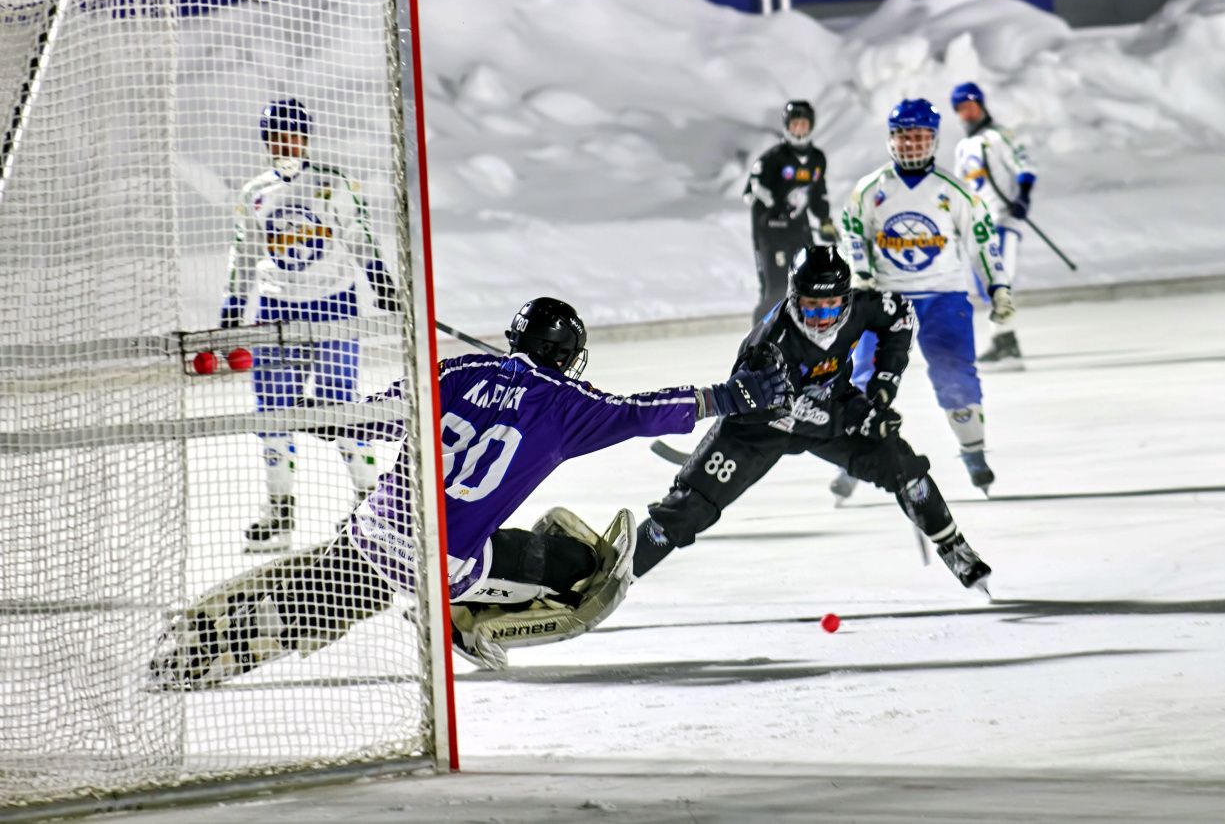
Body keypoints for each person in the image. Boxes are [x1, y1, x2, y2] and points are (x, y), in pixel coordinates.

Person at [150, 297, 790, 684]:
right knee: (578, 566)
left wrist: (315, 411)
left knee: (325, 586)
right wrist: (731, 395)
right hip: (444, 564)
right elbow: (643, 409)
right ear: (565, 354)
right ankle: (466, 622)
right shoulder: (565, 404)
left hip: (373, 527)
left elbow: (371, 416)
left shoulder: (456, 371)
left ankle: (203, 641)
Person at [632, 245, 993, 596]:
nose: (821, 319)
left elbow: (900, 317)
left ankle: (954, 547)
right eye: (811, 307)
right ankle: (613, 578)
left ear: (847, 300)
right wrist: (860, 416)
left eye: (830, 307)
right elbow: (789, 412)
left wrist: (884, 387)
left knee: (905, 467)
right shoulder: (770, 345)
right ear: (794, 300)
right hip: (757, 429)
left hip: (832, 406)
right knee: (686, 510)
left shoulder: (863, 307)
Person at [219, 99, 402, 553]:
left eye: (292, 133)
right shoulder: (255, 193)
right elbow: (244, 256)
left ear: (305, 136)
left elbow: (359, 235)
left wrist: (380, 282)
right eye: (276, 135)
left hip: (333, 306)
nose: (285, 143)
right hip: (278, 315)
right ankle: (279, 510)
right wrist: (232, 309)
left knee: (342, 410)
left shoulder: (330, 183)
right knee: (274, 412)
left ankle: (372, 505)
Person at [832, 98, 1014, 501]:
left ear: (932, 139)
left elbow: (981, 243)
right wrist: (859, 273)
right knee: (864, 382)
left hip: (943, 298)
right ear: (891, 139)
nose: (911, 144)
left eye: (919, 136)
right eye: (903, 136)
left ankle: (973, 451)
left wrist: (997, 286)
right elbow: (852, 235)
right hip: (884, 301)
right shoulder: (870, 190)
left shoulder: (955, 193)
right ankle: (857, 460)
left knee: (953, 372)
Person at [952, 82, 1037, 366]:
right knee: (985, 283)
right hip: (979, 226)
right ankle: (1002, 339)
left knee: (999, 280)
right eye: (961, 108)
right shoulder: (963, 147)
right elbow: (959, 188)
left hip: (1002, 219)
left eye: (970, 105)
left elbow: (1023, 166)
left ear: (981, 105)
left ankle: (1007, 344)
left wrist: (1022, 197)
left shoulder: (999, 137)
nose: (966, 112)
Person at [743, 100, 838, 323]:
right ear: (787, 126)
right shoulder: (772, 159)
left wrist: (825, 221)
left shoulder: (816, 159)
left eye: (804, 124)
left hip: (799, 230)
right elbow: (752, 191)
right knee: (775, 287)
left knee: (807, 281)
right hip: (771, 234)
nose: (799, 129)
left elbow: (818, 193)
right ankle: (762, 336)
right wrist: (775, 209)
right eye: (795, 124)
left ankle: (802, 330)